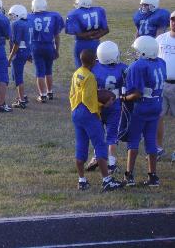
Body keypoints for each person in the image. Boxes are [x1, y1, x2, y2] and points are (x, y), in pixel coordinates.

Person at [69, 49, 124, 192]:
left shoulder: (77, 73)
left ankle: (81, 180)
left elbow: (73, 94)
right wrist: (101, 106)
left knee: (81, 145)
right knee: (100, 145)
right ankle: (106, 180)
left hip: (76, 111)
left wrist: (75, 108)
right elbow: (89, 99)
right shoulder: (90, 77)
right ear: (93, 61)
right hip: (88, 113)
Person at [122, 36, 166, 187]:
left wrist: (124, 98)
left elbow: (137, 93)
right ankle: (153, 176)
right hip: (156, 104)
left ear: (145, 51)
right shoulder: (161, 62)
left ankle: (129, 175)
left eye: (137, 50)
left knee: (133, 140)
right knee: (151, 141)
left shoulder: (138, 66)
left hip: (142, 106)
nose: (135, 53)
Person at [86, 41, 128, 174]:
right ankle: (111, 163)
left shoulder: (94, 67)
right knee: (112, 135)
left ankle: (96, 157)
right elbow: (127, 87)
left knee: (98, 133)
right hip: (114, 104)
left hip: (98, 104)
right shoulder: (122, 68)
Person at [27, 0, 64, 102]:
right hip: (49, 46)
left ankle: (42, 95)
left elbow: (27, 37)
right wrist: (57, 50)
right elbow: (57, 36)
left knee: (39, 72)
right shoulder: (53, 16)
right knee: (49, 70)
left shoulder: (29, 17)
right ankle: (50, 92)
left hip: (36, 46)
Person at [65, 0, 109, 68]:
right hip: (95, 43)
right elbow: (106, 30)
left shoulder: (74, 14)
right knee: (95, 67)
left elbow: (79, 34)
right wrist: (95, 36)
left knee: (81, 69)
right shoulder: (99, 10)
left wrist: (89, 35)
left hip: (81, 44)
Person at [155, 10, 175, 161]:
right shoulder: (160, 39)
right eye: (172, 20)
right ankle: (158, 148)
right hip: (161, 84)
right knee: (158, 117)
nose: (174, 23)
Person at [7, 4, 31, 109]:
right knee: (15, 75)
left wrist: (10, 57)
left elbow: (16, 43)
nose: (11, 18)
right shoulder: (28, 22)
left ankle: (21, 100)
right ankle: (22, 95)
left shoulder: (16, 24)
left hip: (19, 51)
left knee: (17, 76)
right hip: (26, 50)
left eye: (12, 15)